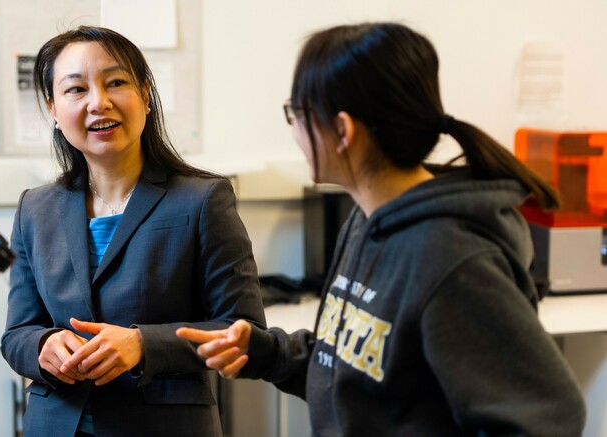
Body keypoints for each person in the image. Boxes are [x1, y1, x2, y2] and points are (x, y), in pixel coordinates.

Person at [177, 22, 586, 436]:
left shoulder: (451, 258)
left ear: (342, 130)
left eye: (297, 114)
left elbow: (548, 418)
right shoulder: (366, 219)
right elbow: (355, 366)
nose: (295, 130)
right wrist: (266, 353)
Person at [0, 26, 266, 437]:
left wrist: (144, 345)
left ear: (145, 94)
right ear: (54, 108)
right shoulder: (34, 208)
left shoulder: (202, 199)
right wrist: (42, 348)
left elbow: (243, 331)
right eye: (76, 90)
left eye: (116, 82)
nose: (99, 103)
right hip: (54, 425)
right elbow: (17, 333)